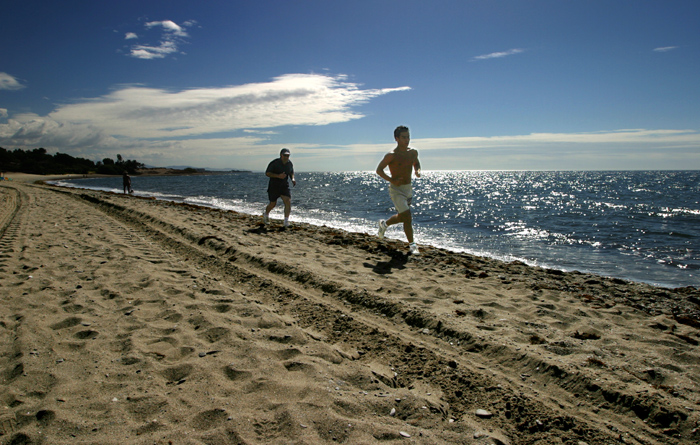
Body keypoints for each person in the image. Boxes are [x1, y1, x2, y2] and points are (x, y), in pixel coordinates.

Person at [376, 125, 422, 255]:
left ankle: (384, 225)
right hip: (396, 189)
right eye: (403, 137)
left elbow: (416, 163)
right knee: (408, 217)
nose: (407, 140)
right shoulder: (391, 155)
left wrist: (417, 171)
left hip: (408, 189)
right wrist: (392, 180)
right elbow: (379, 170)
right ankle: (412, 245)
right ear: (396, 138)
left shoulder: (413, 152)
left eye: (408, 137)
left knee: (403, 217)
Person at [263, 148, 296, 227]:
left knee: (288, 201)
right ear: (281, 155)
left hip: (284, 186)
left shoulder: (289, 164)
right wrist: (278, 176)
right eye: (285, 155)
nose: (286, 157)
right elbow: (267, 173)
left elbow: (291, 172)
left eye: (288, 155)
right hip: (274, 186)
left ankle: (286, 221)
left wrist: (293, 179)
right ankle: (266, 214)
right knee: (272, 204)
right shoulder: (274, 163)